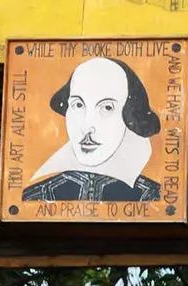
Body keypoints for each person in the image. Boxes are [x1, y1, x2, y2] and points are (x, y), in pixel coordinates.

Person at [21, 55, 167, 203]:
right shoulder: (36, 196)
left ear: (130, 116)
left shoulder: (153, 197)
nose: (87, 127)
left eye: (107, 107)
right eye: (78, 105)